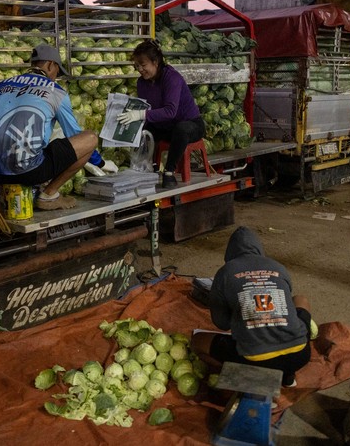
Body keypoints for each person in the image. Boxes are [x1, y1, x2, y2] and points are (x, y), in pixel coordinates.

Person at [0, 44, 116, 211]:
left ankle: (4, 194)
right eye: (57, 73)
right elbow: (75, 134)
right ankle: (49, 196)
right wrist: (101, 163)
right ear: (51, 65)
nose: (55, 77)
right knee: (89, 139)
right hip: (29, 172)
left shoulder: (2, 86)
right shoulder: (55, 91)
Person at [191, 226, 313, 388]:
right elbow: (286, 302)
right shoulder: (278, 267)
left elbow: (221, 323)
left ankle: (252, 380)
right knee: (300, 299)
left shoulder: (225, 272)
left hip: (255, 359)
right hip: (301, 354)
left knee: (197, 341)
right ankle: (288, 377)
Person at [117, 39, 205, 188]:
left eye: (143, 65)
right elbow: (147, 108)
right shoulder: (142, 82)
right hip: (165, 126)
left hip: (190, 125)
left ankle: (169, 172)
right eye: (137, 66)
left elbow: (170, 111)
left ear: (155, 62)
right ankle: (143, 167)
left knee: (181, 129)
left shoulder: (172, 78)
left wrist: (140, 114)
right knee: (144, 130)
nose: (140, 69)